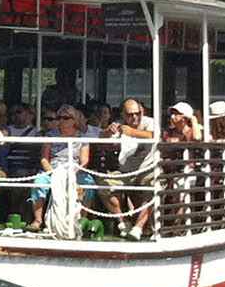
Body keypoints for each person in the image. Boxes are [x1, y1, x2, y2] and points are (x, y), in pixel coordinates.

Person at [103, 98, 160, 239]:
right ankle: (123, 223)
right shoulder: (120, 125)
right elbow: (103, 141)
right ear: (123, 114)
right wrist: (107, 132)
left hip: (147, 170)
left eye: (137, 113)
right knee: (103, 186)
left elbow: (155, 135)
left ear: (142, 112)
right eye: (130, 114)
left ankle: (138, 228)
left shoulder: (150, 122)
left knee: (155, 184)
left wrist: (132, 132)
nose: (134, 117)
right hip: (125, 173)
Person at [30, 104, 90, 232]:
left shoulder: (82, 137)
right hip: (53, 168)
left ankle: (81, 220)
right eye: (59, 117)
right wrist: (52, 173)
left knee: (89, 184)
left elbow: (84, 161)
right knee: (38, 183)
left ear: (74, 120)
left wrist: (72, 173)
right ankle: (38, 220)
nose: (61, 120)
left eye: (65, 118)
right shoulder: (50, 135)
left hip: (74, 170)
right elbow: (44, 158)